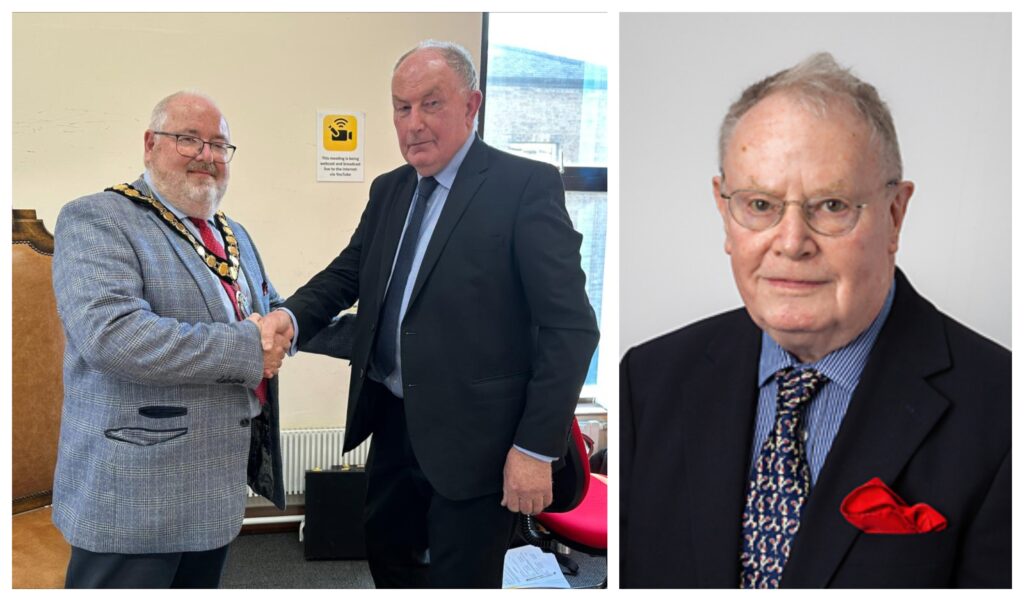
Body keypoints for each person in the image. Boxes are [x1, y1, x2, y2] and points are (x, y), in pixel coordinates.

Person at [620, 53, 1010, 588]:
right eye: (760, 203)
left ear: (895, 215)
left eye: (831, 205)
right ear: (724, 210)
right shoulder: (647, 380)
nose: (791, 242)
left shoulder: (1001, 409)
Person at [260, 40, 599, 588]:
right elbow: (348, 273)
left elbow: (571, 327)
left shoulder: (523, 187)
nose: (413, 123)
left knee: (460, 579)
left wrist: (534, 448)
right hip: (393, 421)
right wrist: (290, 318)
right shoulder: (390, 189)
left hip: (480, 442)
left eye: (431, 104)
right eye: (401, 107)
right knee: (388, 560)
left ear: (472, 105)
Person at [50, 91, 293, 588]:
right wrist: (250, 347)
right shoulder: (98, 218)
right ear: (150, 144)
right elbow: (115, 336)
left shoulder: (233, 233)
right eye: (188, 139)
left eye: (219, 145)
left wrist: (321, 321)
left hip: (213, 488)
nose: (206, 155)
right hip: (133, 494)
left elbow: (268, 312)